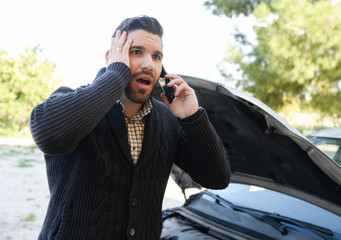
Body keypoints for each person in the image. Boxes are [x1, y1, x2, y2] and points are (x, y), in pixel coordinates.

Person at [30, 15, 231, 240]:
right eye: (136, 52)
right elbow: (48, 136)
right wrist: (115, 74)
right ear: (111, 57)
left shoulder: (168, 120)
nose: (148, 64)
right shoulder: (72, 101)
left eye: (156, 57)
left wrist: (193, 117)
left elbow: (218, 178)